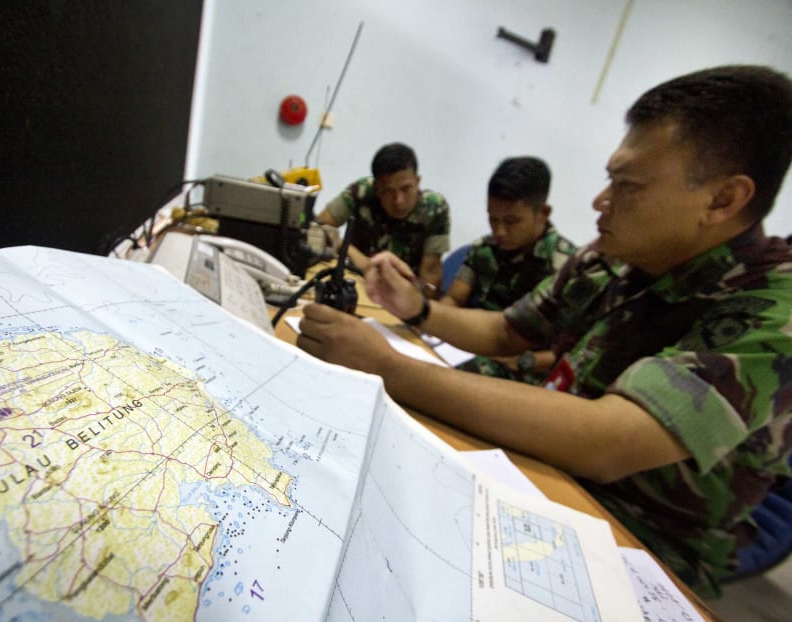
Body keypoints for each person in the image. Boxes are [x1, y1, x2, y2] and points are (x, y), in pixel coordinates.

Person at [297, 65, 792, 598]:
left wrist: (387, 366)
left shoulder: (772, 308)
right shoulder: (618, 257)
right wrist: (419, 310)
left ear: (723, 200)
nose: (601, 202)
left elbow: (609, 440)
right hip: (539, 473)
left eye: (627, 185)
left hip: (644, 546)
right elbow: (507, 332)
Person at [441, 156, 577, 383]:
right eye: (493, 219)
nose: (500, 231)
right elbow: (454, 298)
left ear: (543, 213)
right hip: (469, 348)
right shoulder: (484, 249)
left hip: (521, 374)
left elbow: (570, 356)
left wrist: (523, 361)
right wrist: (437, 324)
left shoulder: (569, 268)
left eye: (511, 221)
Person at [314, 142, 450, 295]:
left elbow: (430, 280)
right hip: (355, 286)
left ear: (417, 181)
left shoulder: (434, 209)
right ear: (377, 188)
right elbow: (318, 228)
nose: (399, 200)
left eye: (406, 189)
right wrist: (358, 258)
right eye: (388, 191)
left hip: (404, 296)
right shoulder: (362, 191)